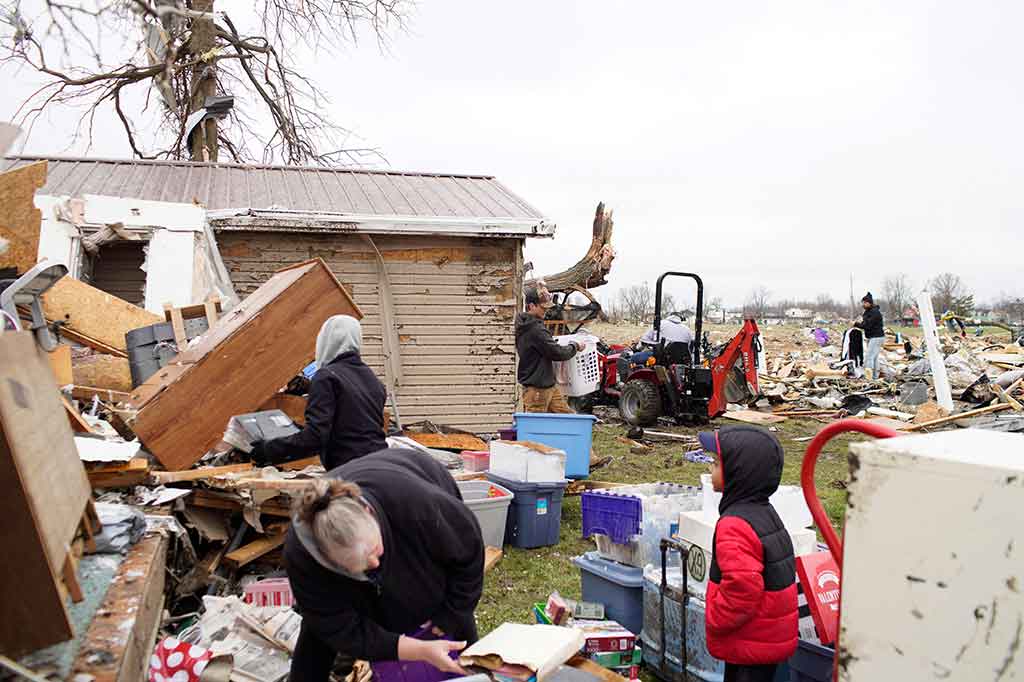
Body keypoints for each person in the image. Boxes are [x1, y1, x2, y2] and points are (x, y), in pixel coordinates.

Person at [285, 448, 484, 682]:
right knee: (318, 634)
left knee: (448, 612)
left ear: (369, 512)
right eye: (357, 566)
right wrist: (416, 650)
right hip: (337, 574)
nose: (373, 564)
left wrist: (453, 612)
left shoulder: (418, 507)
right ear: (327, 557)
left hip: (416, 492)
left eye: (375, 552)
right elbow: (338, 627)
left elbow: (467, 555)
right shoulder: (302, 559)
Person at [698, 426, 798, 682]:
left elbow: (742, 587)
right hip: (767, 635)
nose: (710, 468)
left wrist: (715, 617)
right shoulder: (764, 511)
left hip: (751, 636)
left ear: (738, 472)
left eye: (717, 463)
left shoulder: (734, 524)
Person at [251, 315, 387, 470]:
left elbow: (315, 439)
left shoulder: (326, 377)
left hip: (350, 470)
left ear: (326, 340)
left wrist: (268, 450)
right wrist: (293, 431)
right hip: (379, 463)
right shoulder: (372, 379)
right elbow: (347, 429)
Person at [516, 287, 583, 413]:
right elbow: (557, 353)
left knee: (568, 418)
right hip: (537, 389)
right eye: (543, 307)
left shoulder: (525, 325)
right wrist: (575, 346)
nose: (546, 310)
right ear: (531, 306)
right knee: (535, 427)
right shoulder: (536, 330)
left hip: (548, 386)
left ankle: (577, 432)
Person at [854, 292, 885, 378]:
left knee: (869, 357)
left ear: (869, 303)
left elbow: (867, 325)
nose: (863, 304)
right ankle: (875, 377)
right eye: (862, 303)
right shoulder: (867, 312)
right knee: (874, 358)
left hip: (876, 337)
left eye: (864, 303)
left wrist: (856, 324)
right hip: (874, 337)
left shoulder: (874, 312)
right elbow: (864, 323)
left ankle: (869, 377)